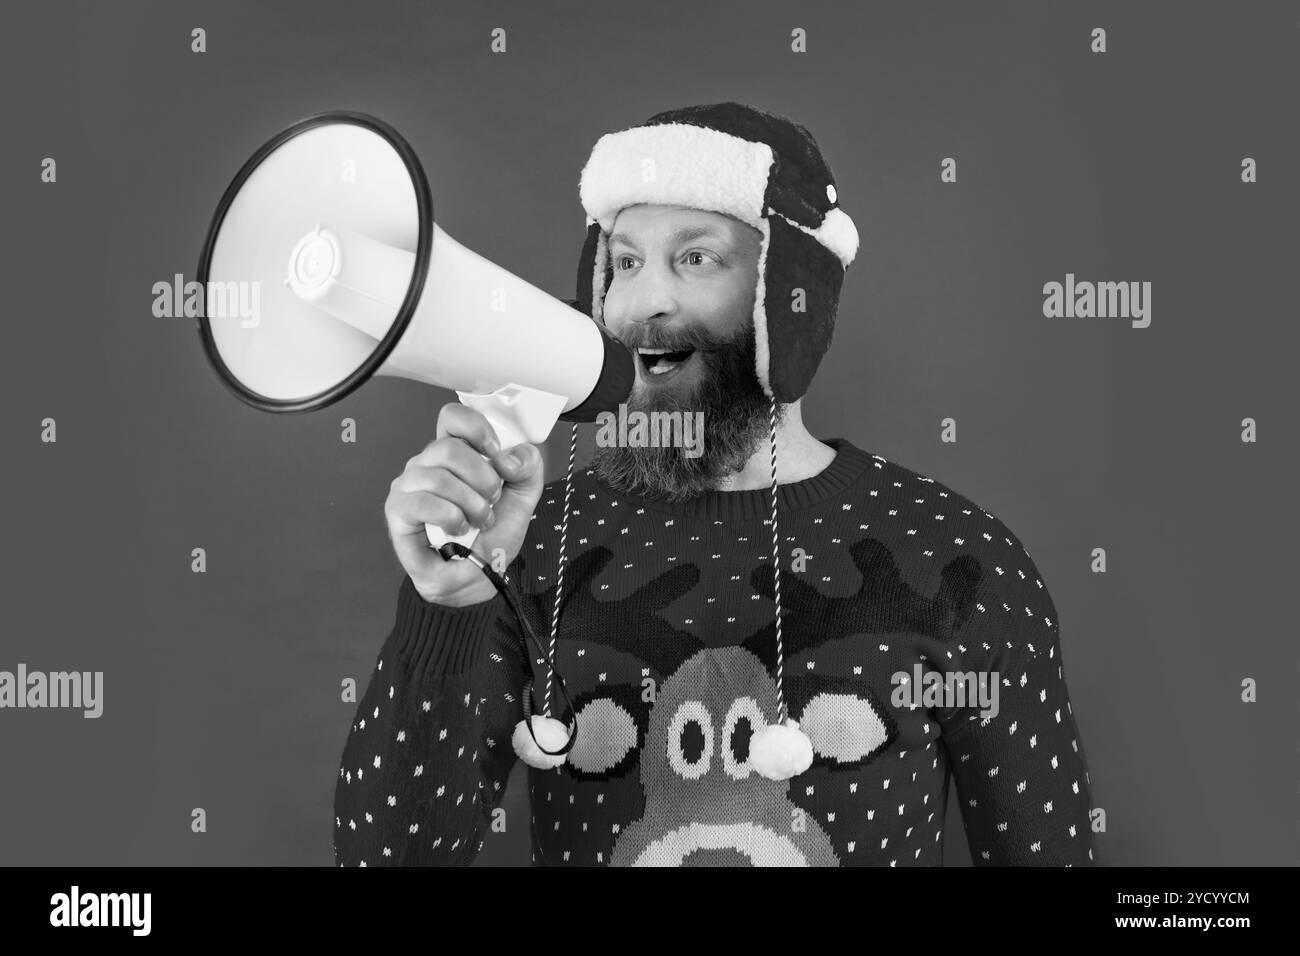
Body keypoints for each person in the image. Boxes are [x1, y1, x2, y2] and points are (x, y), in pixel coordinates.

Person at [332, 102, 1096, 866]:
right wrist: (448, 608)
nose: (643, 304)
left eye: (696, 258)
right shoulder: (524, 547)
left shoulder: (960, 559)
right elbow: (388, 858)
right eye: (625, 263)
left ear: (786, 299)